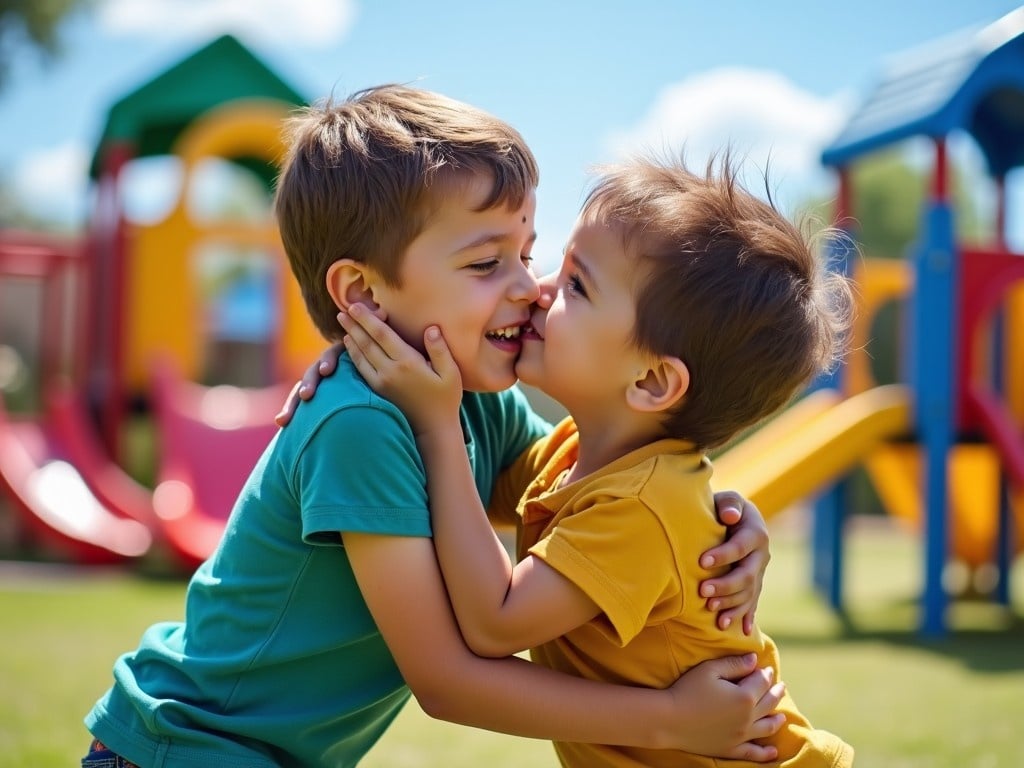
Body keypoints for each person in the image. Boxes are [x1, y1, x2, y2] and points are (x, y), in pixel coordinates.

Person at [82, 86, 784, 768]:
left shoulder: (468, 395)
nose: (526, 287)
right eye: (485, 263)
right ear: (364, 295)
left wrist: (717, 518)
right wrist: (671, 721)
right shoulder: (363, 422)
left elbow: (598, 491)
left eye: (525, 251)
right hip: (186, 745)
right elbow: (447, 680)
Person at [338, 153, 856, 766]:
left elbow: (495, 621)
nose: (538, 288)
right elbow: (469, 500)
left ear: (652, 381)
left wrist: (436, 422)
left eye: (577, 285)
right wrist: (358, 361)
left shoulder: (640, 505)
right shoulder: (573, 454)